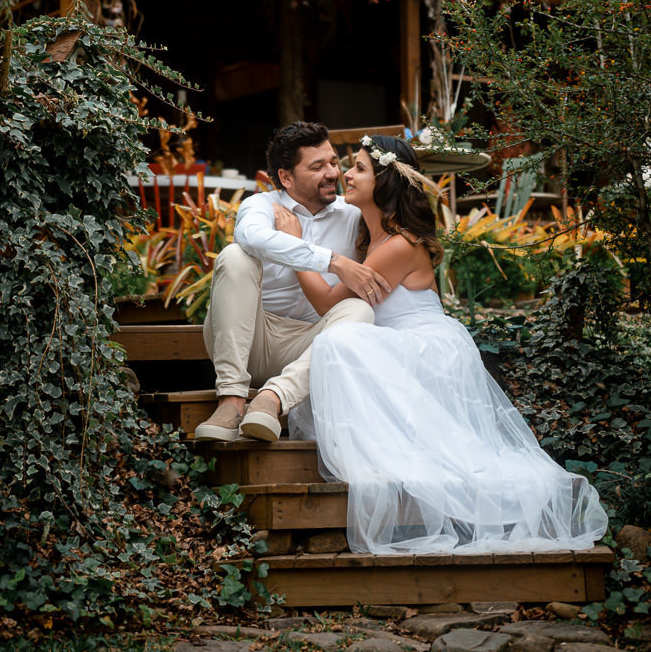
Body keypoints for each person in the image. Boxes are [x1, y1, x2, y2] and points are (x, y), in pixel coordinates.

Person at [273, 134, 608, 554]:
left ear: (385, 182)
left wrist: (294, 246)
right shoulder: (367, 238)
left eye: (359, 167)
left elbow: (325, 302)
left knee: (340, 341)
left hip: (424, 349)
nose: (345, 175)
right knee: (344, 340)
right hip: (398, 344)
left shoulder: (398, 245)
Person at [194, 121, 390, 443]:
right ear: (286, 177)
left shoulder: (352, 213)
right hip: (251, 339)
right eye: (317, 166)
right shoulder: (262, 205)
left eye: (332, 162)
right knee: (235, 255)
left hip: (308, 349)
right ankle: (231, 401)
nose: (333, 173)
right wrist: (332, 261)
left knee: (359, 311)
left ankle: (272, 399)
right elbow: (250, 236)